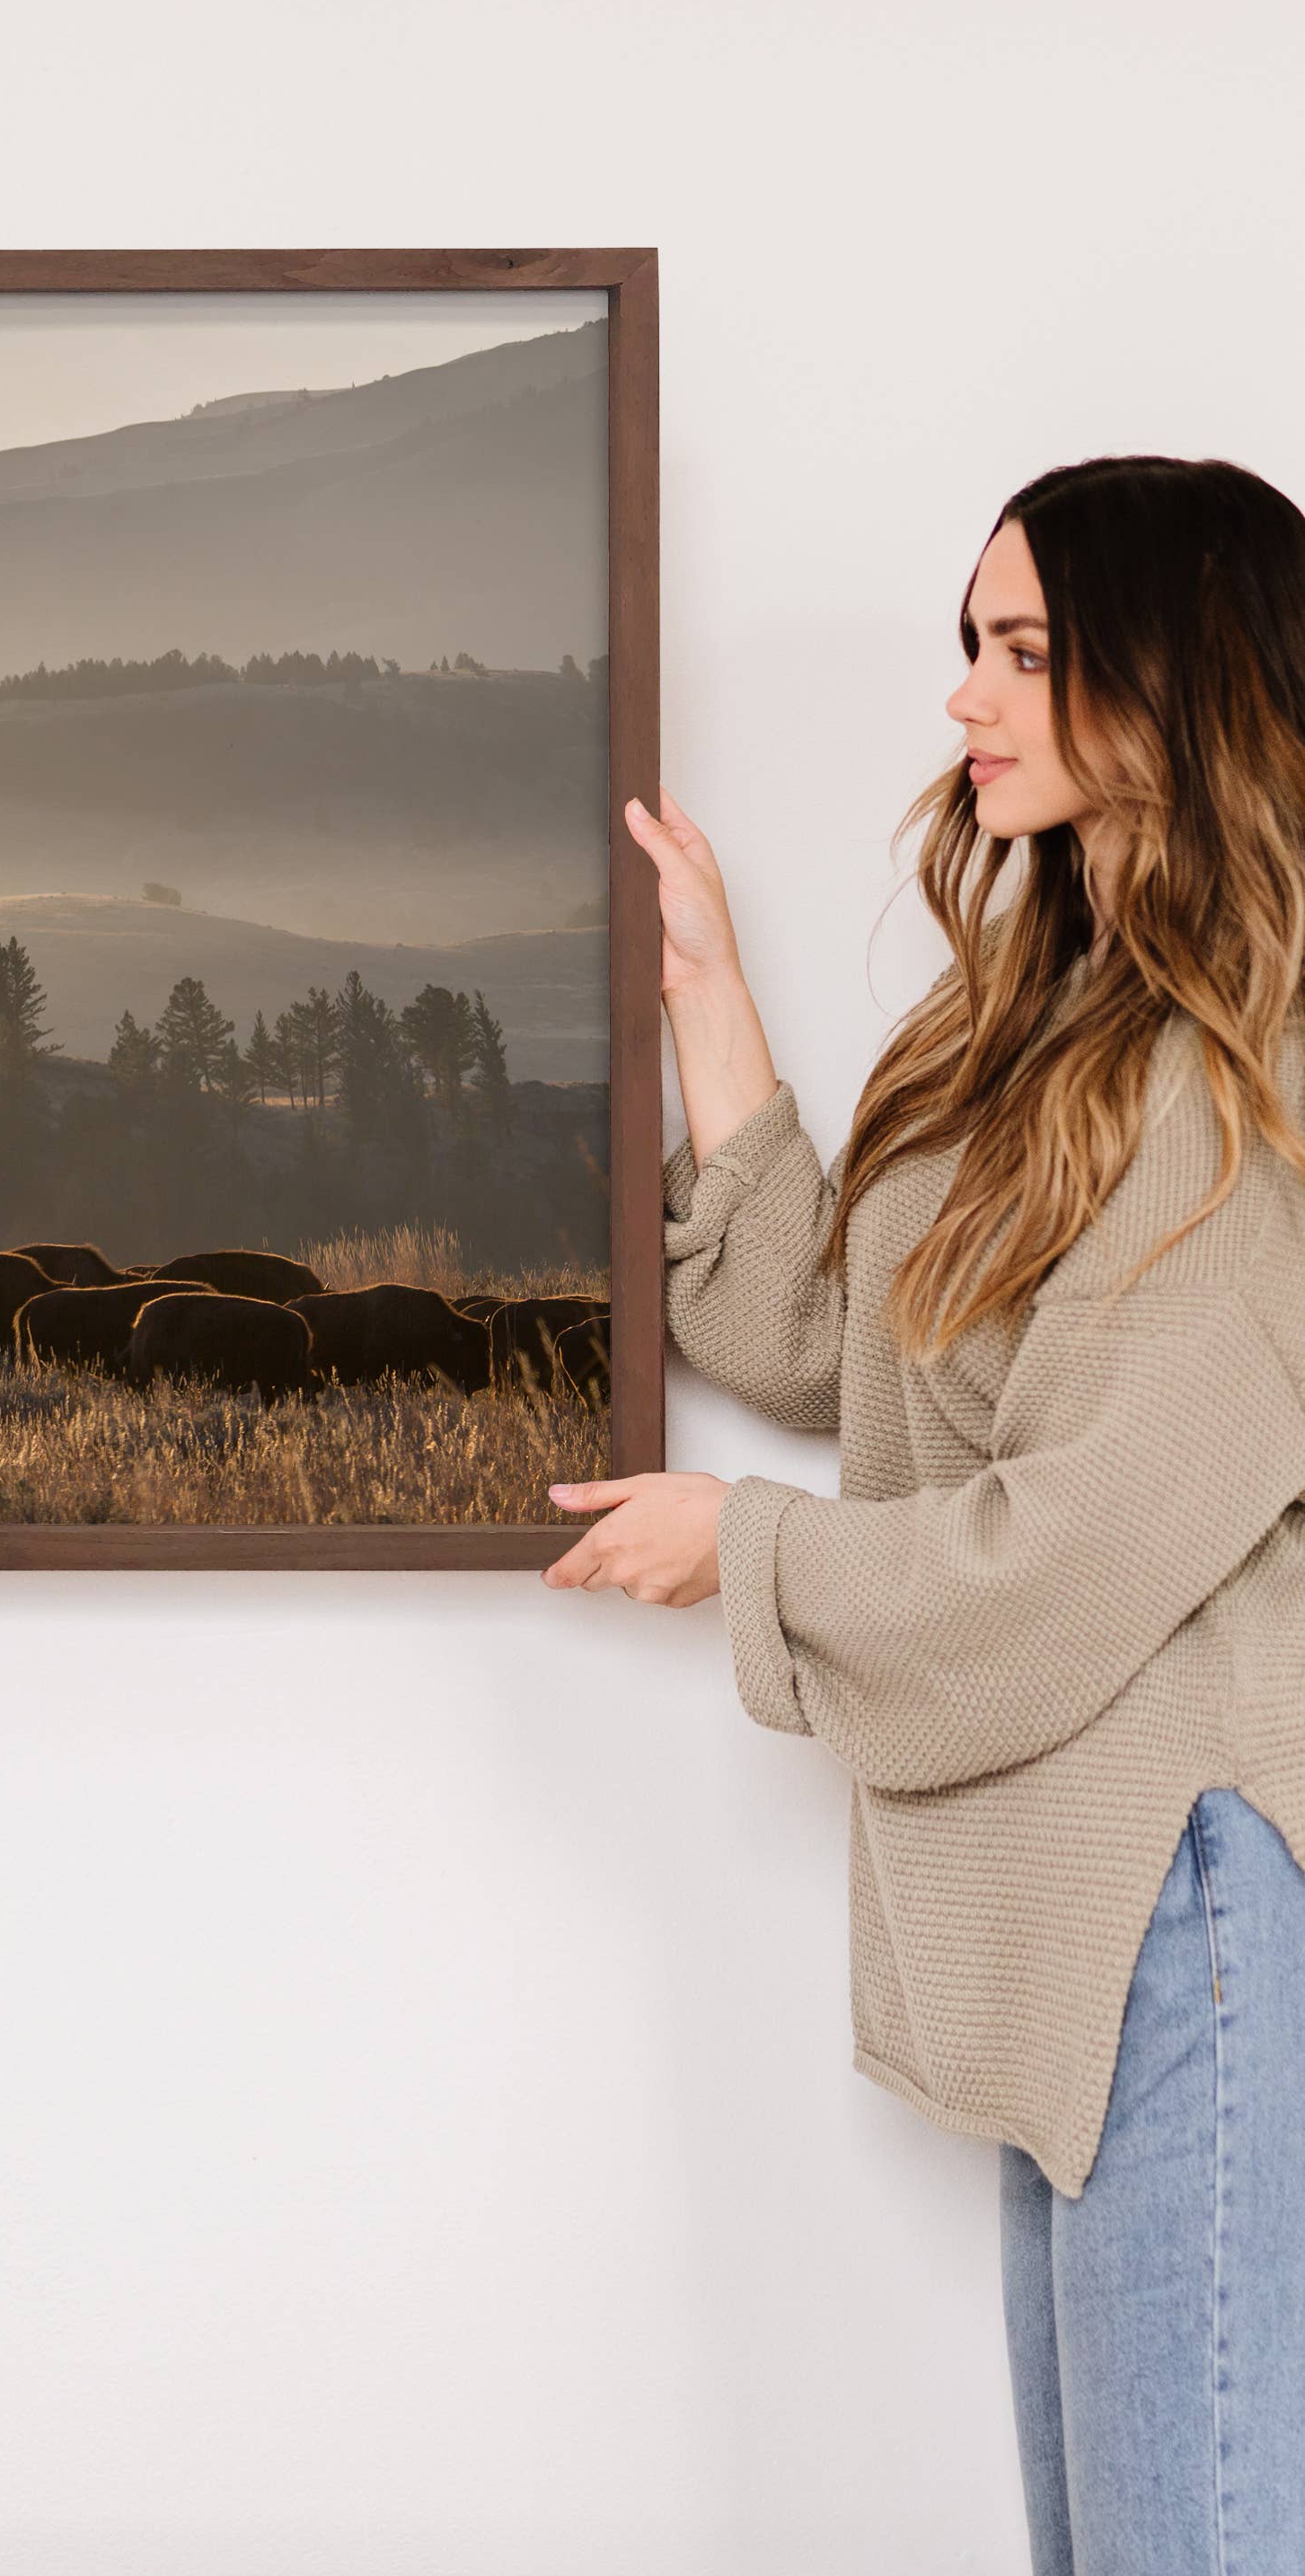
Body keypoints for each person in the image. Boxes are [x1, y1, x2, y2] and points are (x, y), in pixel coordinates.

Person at [544, 457, 1305, 2572]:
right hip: (1079, 1923)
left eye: (1029, 653)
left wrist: (746, 1555)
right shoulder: (1045, 1020)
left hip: (1190, 1918)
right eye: (970, 646)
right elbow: (835, 1339)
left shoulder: (1260, 1082)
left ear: (1180, 682)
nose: (971, 699)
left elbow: (1078, 1548)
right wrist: (705, 988)